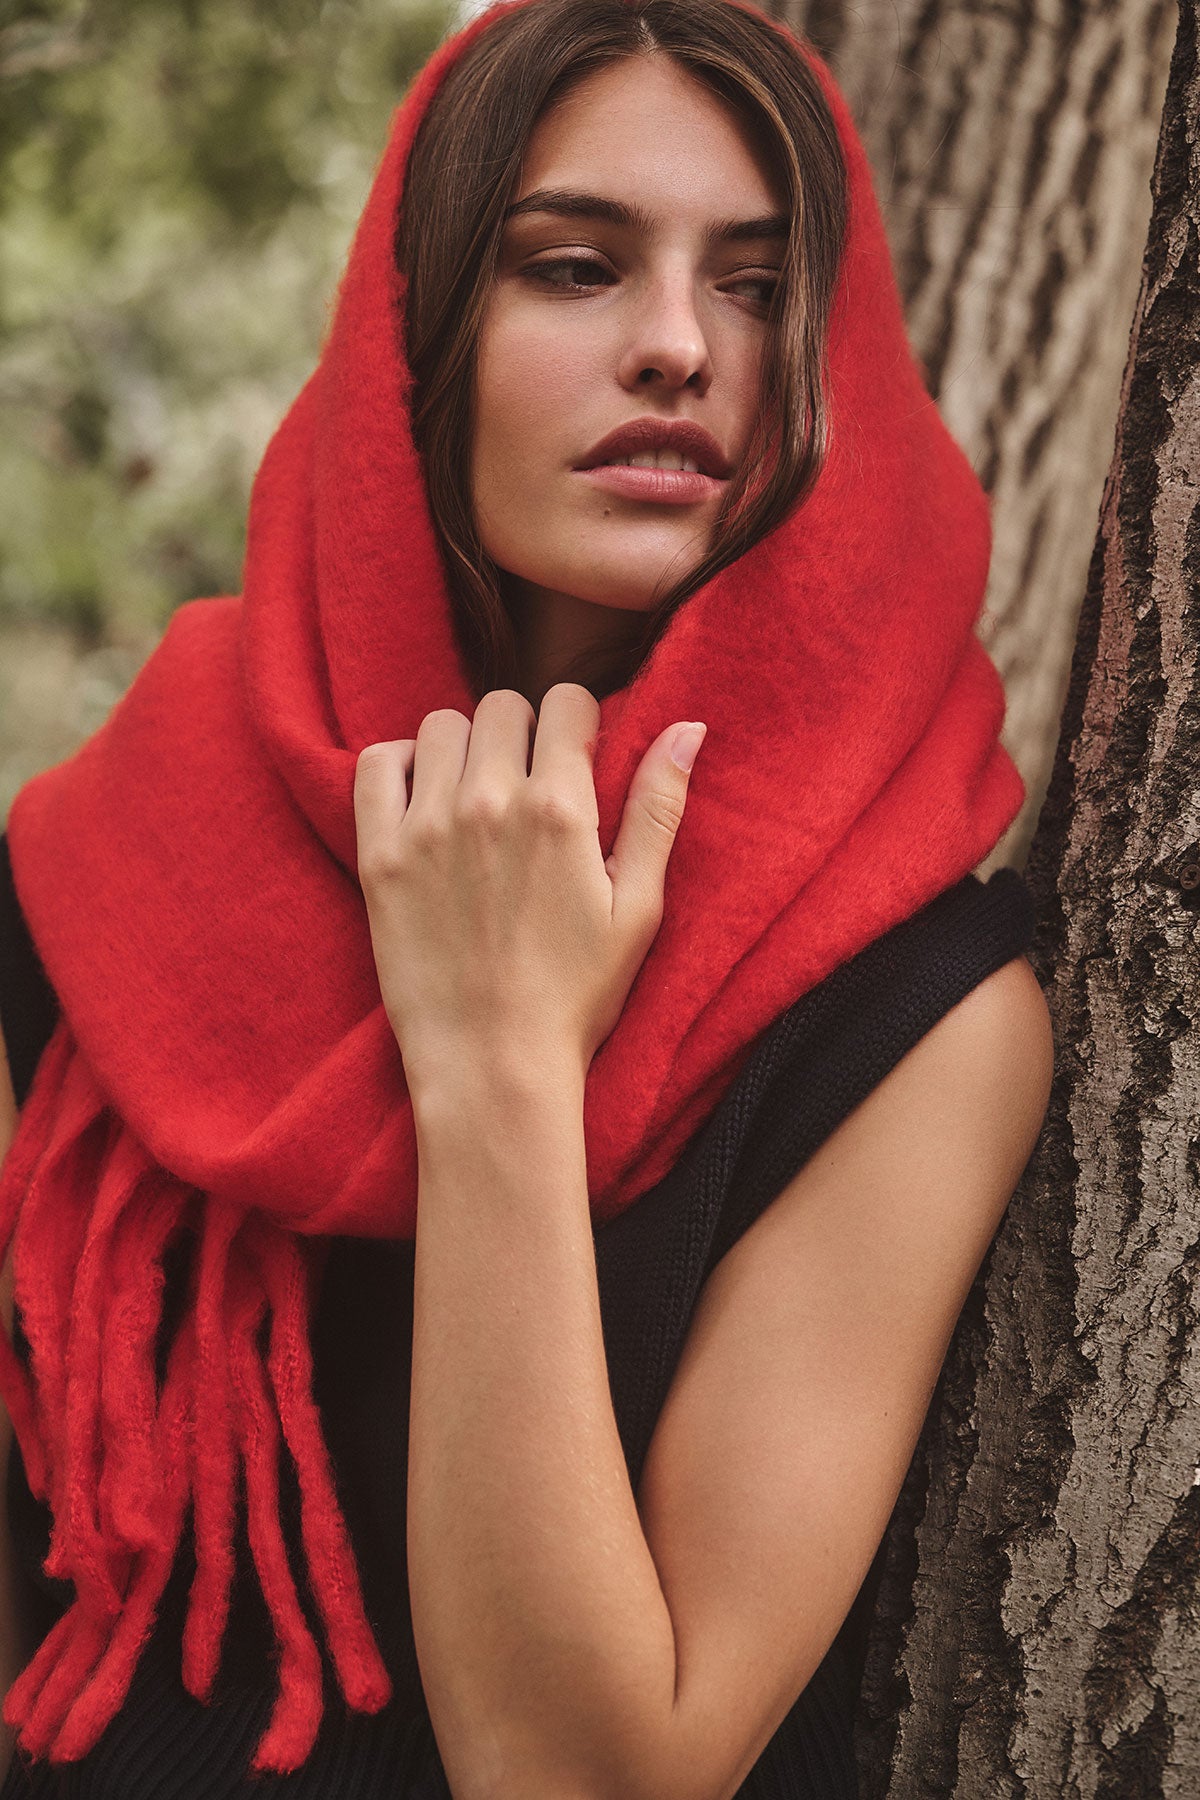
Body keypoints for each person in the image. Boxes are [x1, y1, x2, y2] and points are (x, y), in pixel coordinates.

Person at [0, 0, 1054, 1794]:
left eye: (752, 282)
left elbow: (583, 1774)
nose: (676, 348)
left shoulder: (922, 1005)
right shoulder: (105, 869)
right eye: (572, 267)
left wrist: (496, 1063)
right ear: (412, 337)